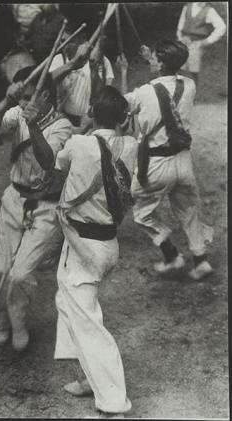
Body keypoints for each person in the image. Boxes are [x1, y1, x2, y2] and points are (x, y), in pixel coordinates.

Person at [54, 86, 137, 418]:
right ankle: (87, 377)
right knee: (67, 303)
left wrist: (83, 127)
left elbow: (59, 164)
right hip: (107, 244)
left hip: (83, 247)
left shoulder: (79, 144)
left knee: (89, 326)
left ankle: (114, 401)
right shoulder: (130, 145)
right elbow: (123, 133)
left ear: (90, 113)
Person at [0, 66, 73, 352]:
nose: (23, 103)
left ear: (46, 96)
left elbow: (47, 161)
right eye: (21, 97)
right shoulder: (18, 111)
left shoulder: (63, 126)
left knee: (20, 273)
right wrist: (8, 102)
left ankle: (17, 323)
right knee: (1, 268)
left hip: (46, 205)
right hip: (14, 199)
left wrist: (32, 127)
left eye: (28, 97)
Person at [118, 39, 214, 280]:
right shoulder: (189, 85)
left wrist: (123, 72)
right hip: (182, 161)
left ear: (160, 63)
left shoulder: (143, 92)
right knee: (189, 210)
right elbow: (167, 80)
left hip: (155, 164)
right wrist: (152, 57)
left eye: (155, 58)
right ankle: (201, 261)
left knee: (143, 214)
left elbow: (120, 104)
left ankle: (172, 256)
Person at [49, 33, 115, 130]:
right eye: (62, 41)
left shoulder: (100, 59)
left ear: (80, 40)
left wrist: (94, 69)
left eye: (68, 41)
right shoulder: (59, 59)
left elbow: (105, 92)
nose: (63, 45)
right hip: (64, 118)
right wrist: (72, 64)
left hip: (90, 120)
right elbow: (49, 82)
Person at [176, 2, 226, 86]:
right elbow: (181, 22)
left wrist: (207, 41)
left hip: (196, 42)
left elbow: (221, 27)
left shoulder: (209, 10)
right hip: (184, 40)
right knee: (179, 65)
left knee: (193, 68)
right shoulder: (187, 7)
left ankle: (193, 88)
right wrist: (180, 36)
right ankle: (179, 87)